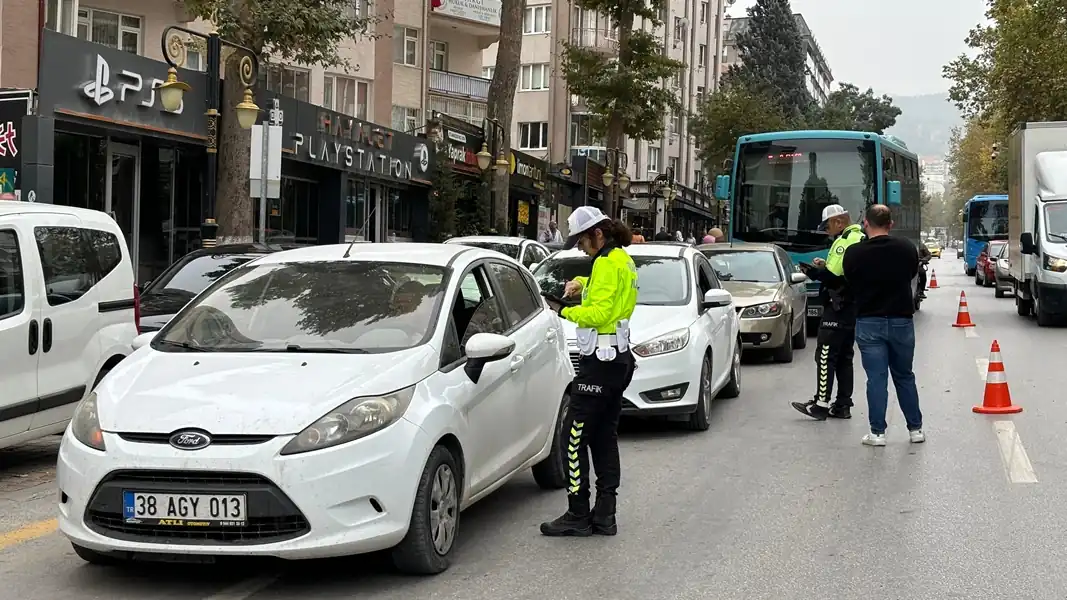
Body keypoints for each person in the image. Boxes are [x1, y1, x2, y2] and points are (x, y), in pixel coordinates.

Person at [540, 206, 638, 538]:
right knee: (603, 437)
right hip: (618, 360)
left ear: (597, 233)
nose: (580, 248)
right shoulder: (619, 260)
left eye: (582, 241)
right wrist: (581, 283)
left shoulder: (607, 264)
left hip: (600, 362)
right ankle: (605, 513)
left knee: (573, 437)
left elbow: (600, 312)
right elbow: (604, 291)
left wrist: (564, 310)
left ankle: (578, 513)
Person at [842, 205, 924, 446]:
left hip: (869, 321)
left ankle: (877, 433)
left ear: (865, 223)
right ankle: (915, 429)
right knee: (904, 375)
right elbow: (911, 273)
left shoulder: (854, 253)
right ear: (891, 224)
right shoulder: (906, 248)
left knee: (876, 378)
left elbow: (850, 280)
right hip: (901, 320)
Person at [792, 204, 864, 421]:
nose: (825, 230)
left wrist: (814, 272)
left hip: (838, 305)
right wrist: (824, 265)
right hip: (850, 306)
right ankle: (842, 405)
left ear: (839, 222)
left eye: (827, 225)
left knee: (825, 355)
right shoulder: (856, 237)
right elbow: (843, 270)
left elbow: (835, 277)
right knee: (844, 357)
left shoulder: (845, 241)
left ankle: (821, 404)